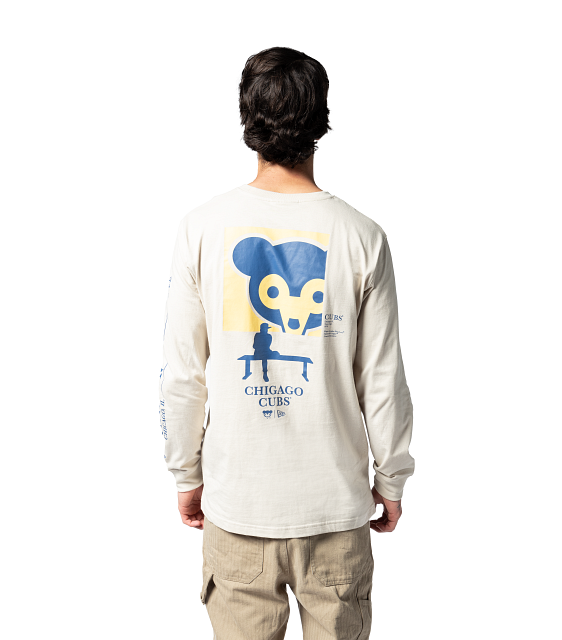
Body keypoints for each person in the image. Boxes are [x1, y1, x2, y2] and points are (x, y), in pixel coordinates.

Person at [159, 46, 415, 639]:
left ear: (246, 118)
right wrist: (392, 478)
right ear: (321, 120)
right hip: (335, 510)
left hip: (238, 506)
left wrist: (185, 474)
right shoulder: (362, 235)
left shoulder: (202, 227)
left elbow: (181, 374)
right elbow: (382, 378)